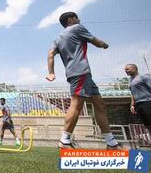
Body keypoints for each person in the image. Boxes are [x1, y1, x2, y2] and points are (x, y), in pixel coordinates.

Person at [46, 11, 119, 149]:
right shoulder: (77, 28)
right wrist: (104, 45)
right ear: (70, 19)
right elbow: (97, 42)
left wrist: (51, 73)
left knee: (100, 105)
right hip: (80, 72)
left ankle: (111, 142)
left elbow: (50, 54)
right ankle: (64, 140)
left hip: (82, 74)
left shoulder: (57, 38)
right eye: (77, 17)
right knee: (76, 105)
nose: (79, 20)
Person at [125, 64, 151, 136]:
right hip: (138, 104)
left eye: (127, 69)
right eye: (125, 70)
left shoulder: (144, 77)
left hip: (147, 101)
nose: (126, 71)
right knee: (146, 124)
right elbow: (132, 93)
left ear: (134, 69)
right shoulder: (130, 80)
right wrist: (132, 105)